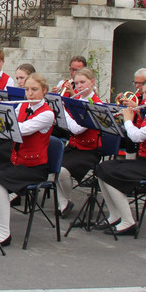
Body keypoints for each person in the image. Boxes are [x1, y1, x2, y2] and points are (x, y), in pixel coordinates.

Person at [0, 73, 55, 248]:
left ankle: (4, 233)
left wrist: (1, 117)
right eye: (27, 90)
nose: (30, 94)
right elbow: (10, 121)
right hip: (18, 163)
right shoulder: (23, 106)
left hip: (35, 168)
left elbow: (20, 129)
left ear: (44, 91)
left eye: (34, 90)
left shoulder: (47, 114)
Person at [95, 75, 146, 236]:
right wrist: (131, 117)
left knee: (111, 174)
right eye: (143, 93)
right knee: (102, 168)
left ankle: (128, 222)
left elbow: (138, 137)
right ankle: (115, 215)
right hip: (144, 161)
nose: (144, 98)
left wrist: (127, 120)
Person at [56, 67, 104, 216]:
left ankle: (65, 200)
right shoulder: (75, 101)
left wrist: (62, 110)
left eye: (83, 82)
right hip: (74, 146)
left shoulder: (96, 105)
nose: (79, 86)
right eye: (76, 83)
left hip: (89, 150)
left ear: (92, 82)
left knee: (62, 172)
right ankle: (64, 203)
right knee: (53, 167)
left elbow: (77, 129)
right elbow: (66, 126)